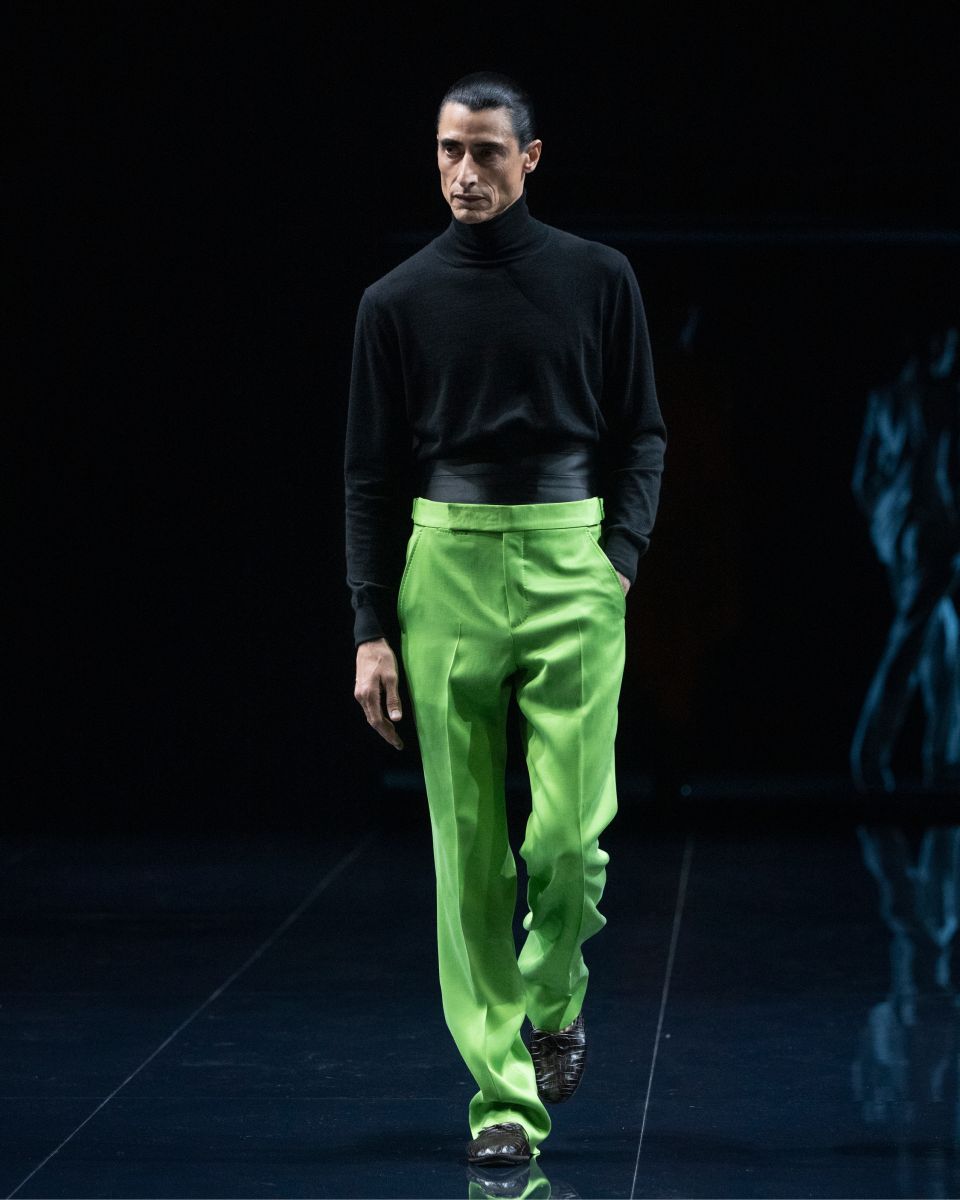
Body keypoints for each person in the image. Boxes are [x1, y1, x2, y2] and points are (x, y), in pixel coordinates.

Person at [345, 71, 666, 1166]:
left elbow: (643, 431)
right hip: (446, 567)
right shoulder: (394, 301)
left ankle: (554, 997)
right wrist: (370, 628)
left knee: (567, 843)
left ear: (530, 157)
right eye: (449, 150)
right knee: (469, 856)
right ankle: (501, 1103)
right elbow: (368, 475)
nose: (464, 171)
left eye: (486, 151)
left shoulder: (597, 277)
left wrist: (619, 559)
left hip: (574, 559)